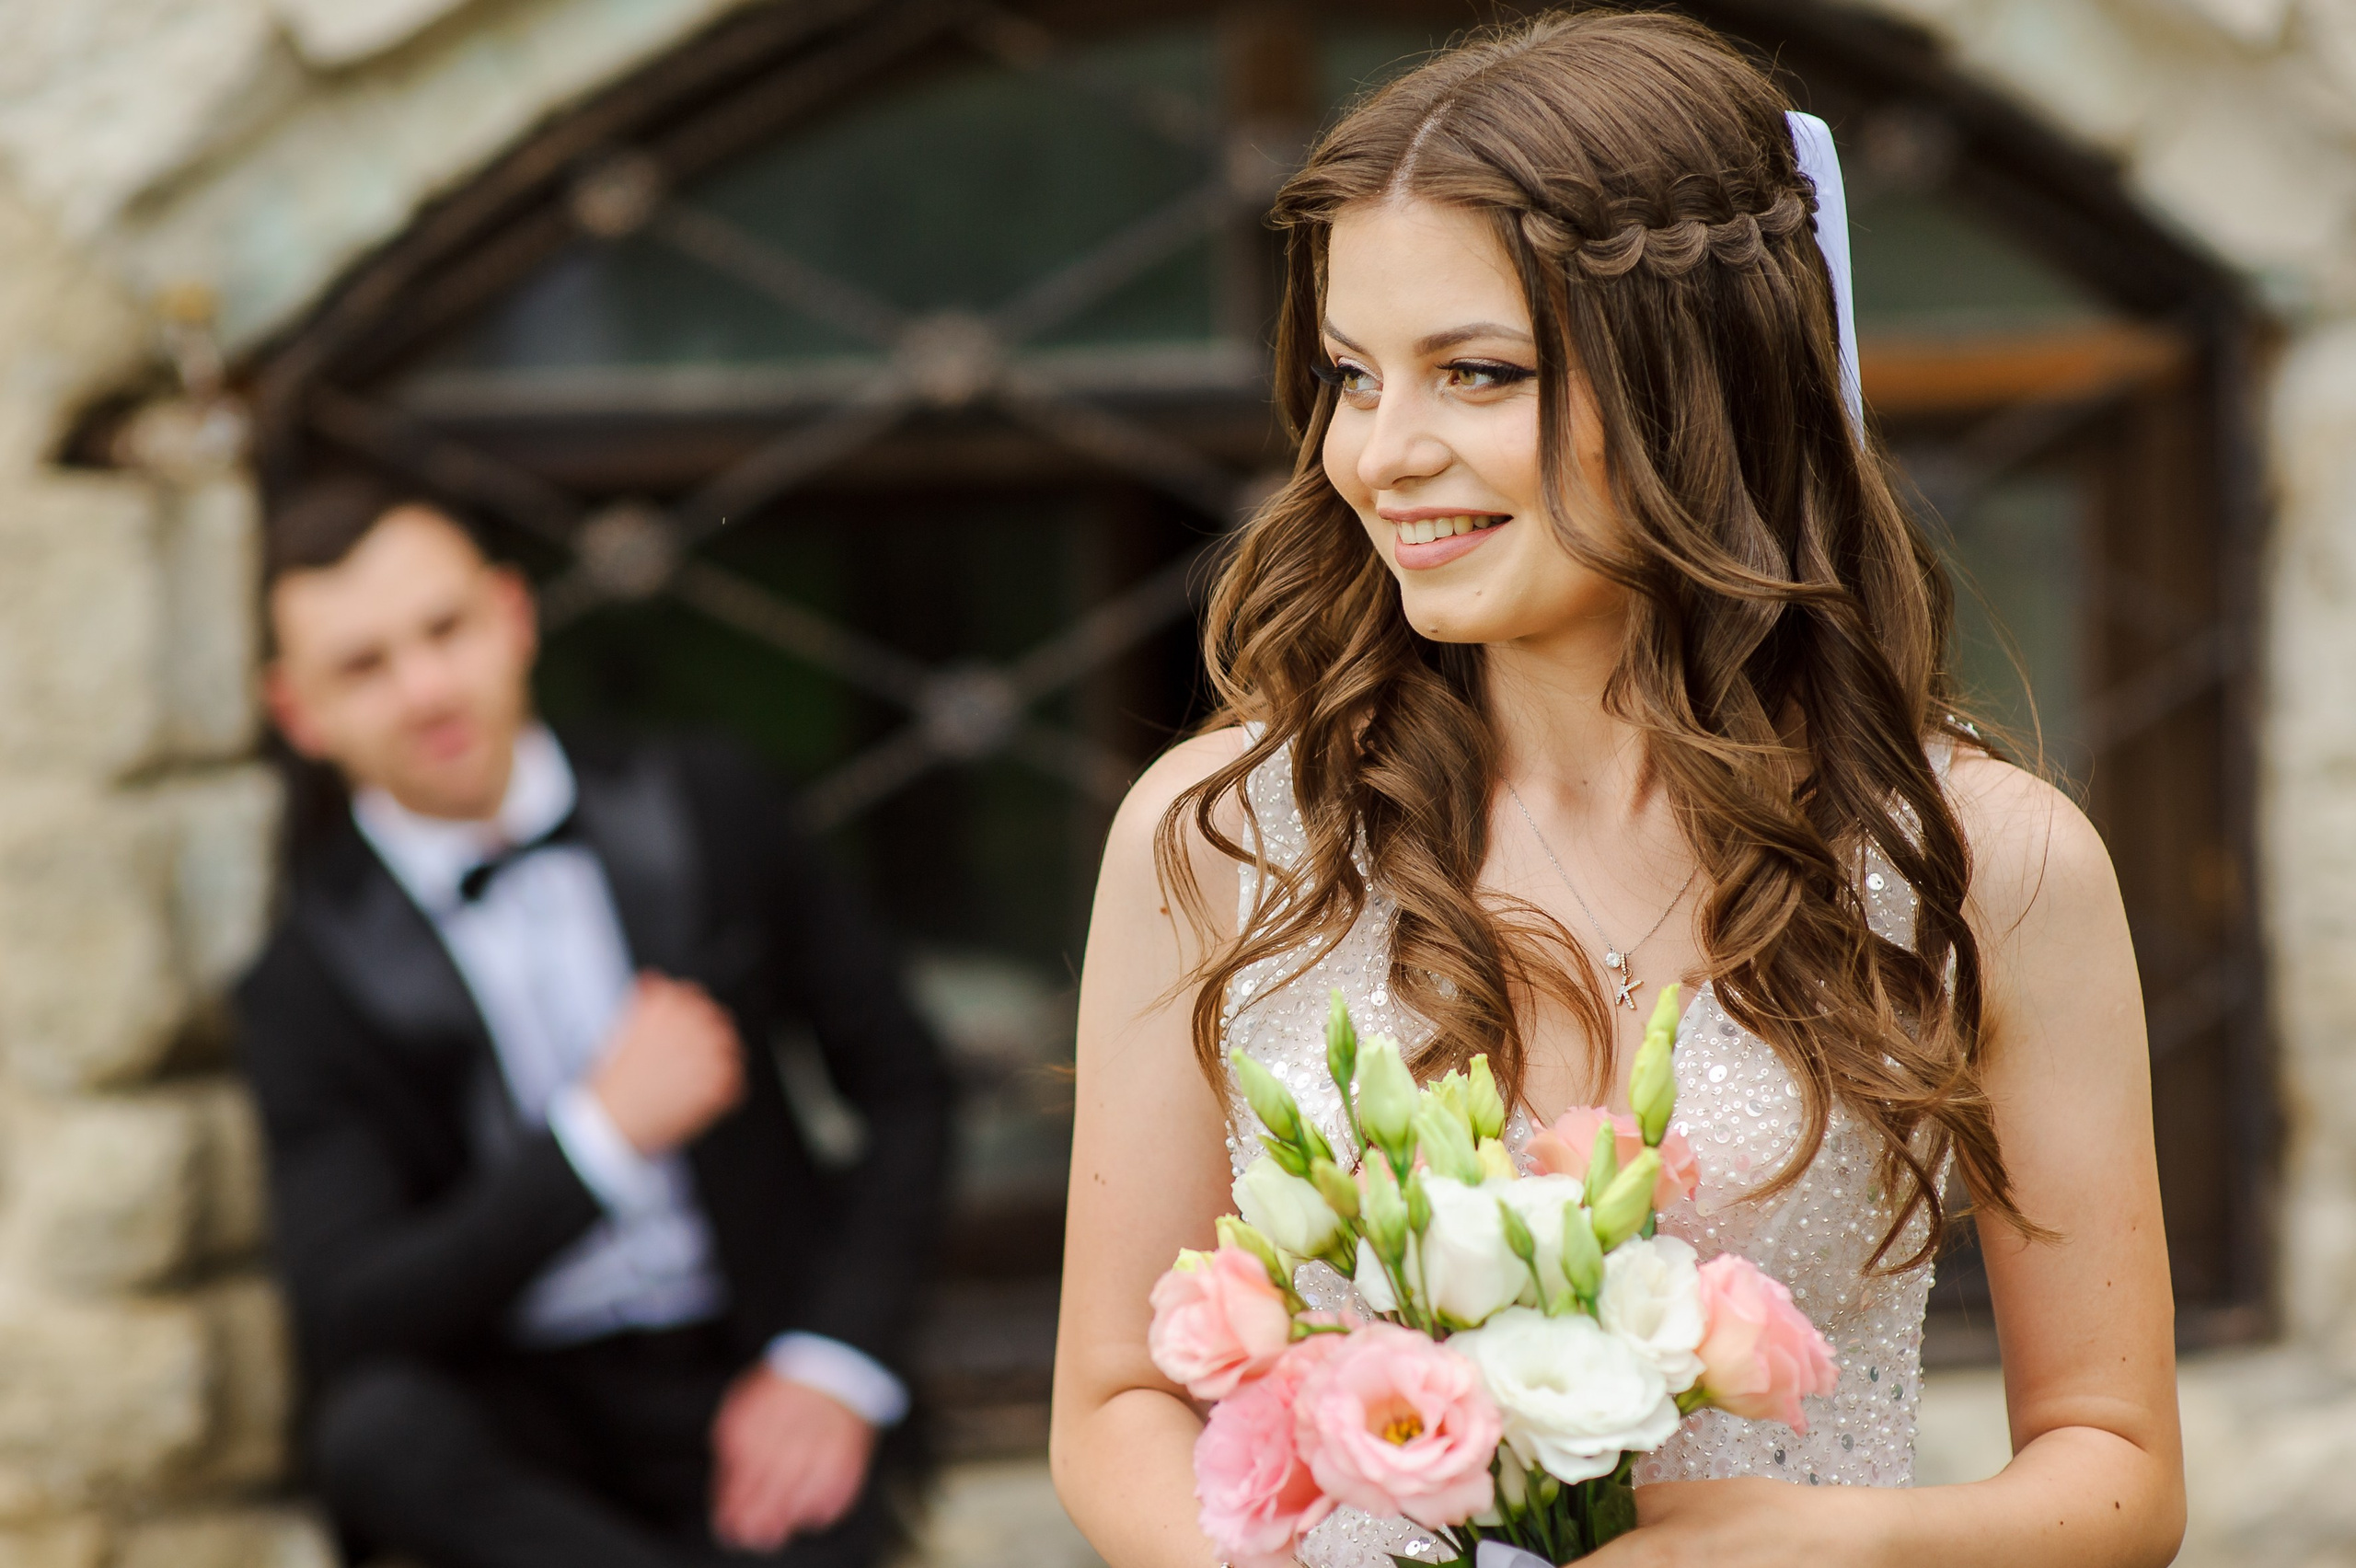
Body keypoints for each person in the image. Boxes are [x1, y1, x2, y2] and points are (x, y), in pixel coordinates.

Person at [1051, 13, 2183, 1568]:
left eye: (1477, 372)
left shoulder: (1984, 861)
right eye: (1349, 375)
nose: (1382, 451)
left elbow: (2117, 1471)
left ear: (1695, 379)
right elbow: (1115, 1396)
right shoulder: (1227, 835)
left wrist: (1837, 1547)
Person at [237, 479, 953, 1568]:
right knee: (377, 1434)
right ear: (299, 712)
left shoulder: (709, 804)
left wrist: (833, 1361)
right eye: (362, 666)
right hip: (532, 1432)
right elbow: (350, 1308)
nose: (426, 688)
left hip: (755, 1369)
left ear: (512, 617)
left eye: (445, 630)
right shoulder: (304, 980)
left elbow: (909, 1089)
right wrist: (597, 1140)